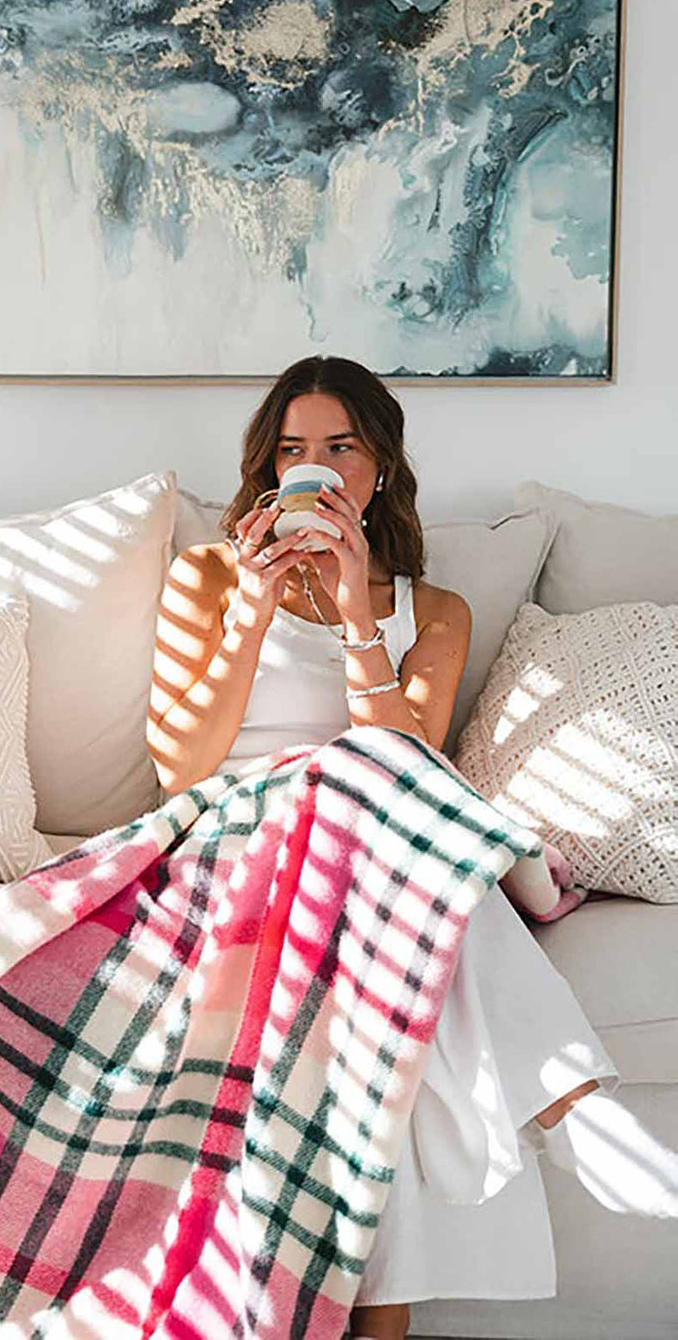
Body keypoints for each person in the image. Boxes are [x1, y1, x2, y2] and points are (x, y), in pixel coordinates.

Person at [147, 355, 678, 1340]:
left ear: (378, 468)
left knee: (384, 940)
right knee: (384, 811)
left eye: (339, 448)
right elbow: (181, 768)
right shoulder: (208, 576)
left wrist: (356, 615)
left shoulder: (429, 612)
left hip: (373, 860)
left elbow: (407, 764)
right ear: (267, 472)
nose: (316, 469)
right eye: (293, 451)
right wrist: (257, 608)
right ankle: (566, 1101)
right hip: (237, 842)